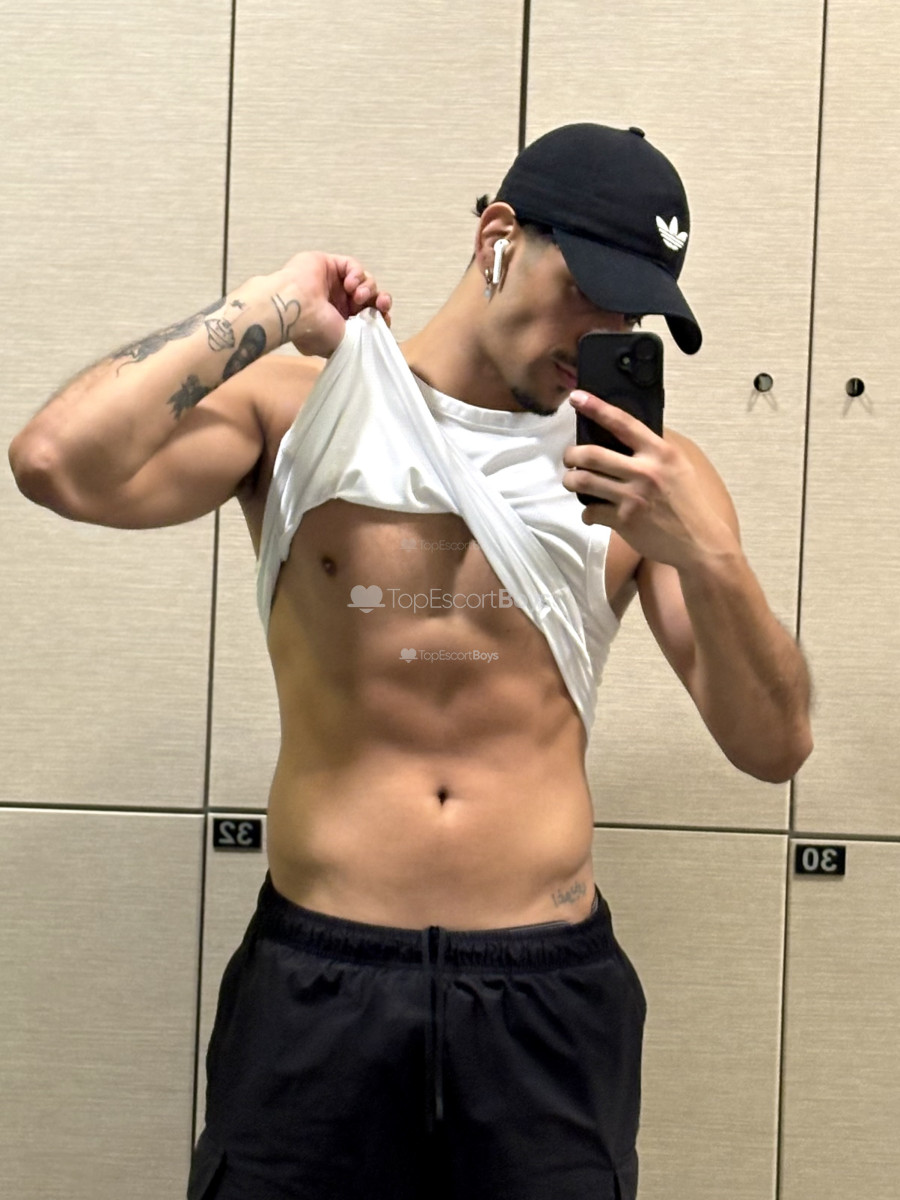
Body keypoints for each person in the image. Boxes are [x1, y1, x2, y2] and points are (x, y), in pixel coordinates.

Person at [8, 123, 812, 1200]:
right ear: (498, 238)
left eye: (634, 316)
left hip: (546, 1005)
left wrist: (710, 555)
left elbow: (774, 746)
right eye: (588, 292)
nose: (605, 334)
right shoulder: (302, 409)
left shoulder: (646, 480)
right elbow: (56, 462)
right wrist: (271, 304)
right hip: (319, 987)